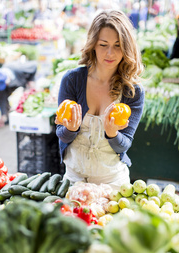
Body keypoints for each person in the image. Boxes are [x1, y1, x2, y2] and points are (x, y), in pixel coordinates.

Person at [55, 9, 145, 189]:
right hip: (74, 180)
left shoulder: (133, 91)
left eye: (118, 45)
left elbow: (123, 146)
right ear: (93, 45)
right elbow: (61, 134)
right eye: (104, 45)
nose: (110, 53)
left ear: (127, 48)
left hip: (113, 184)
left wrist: (112, 133)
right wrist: (70, 129)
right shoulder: (72, 80)